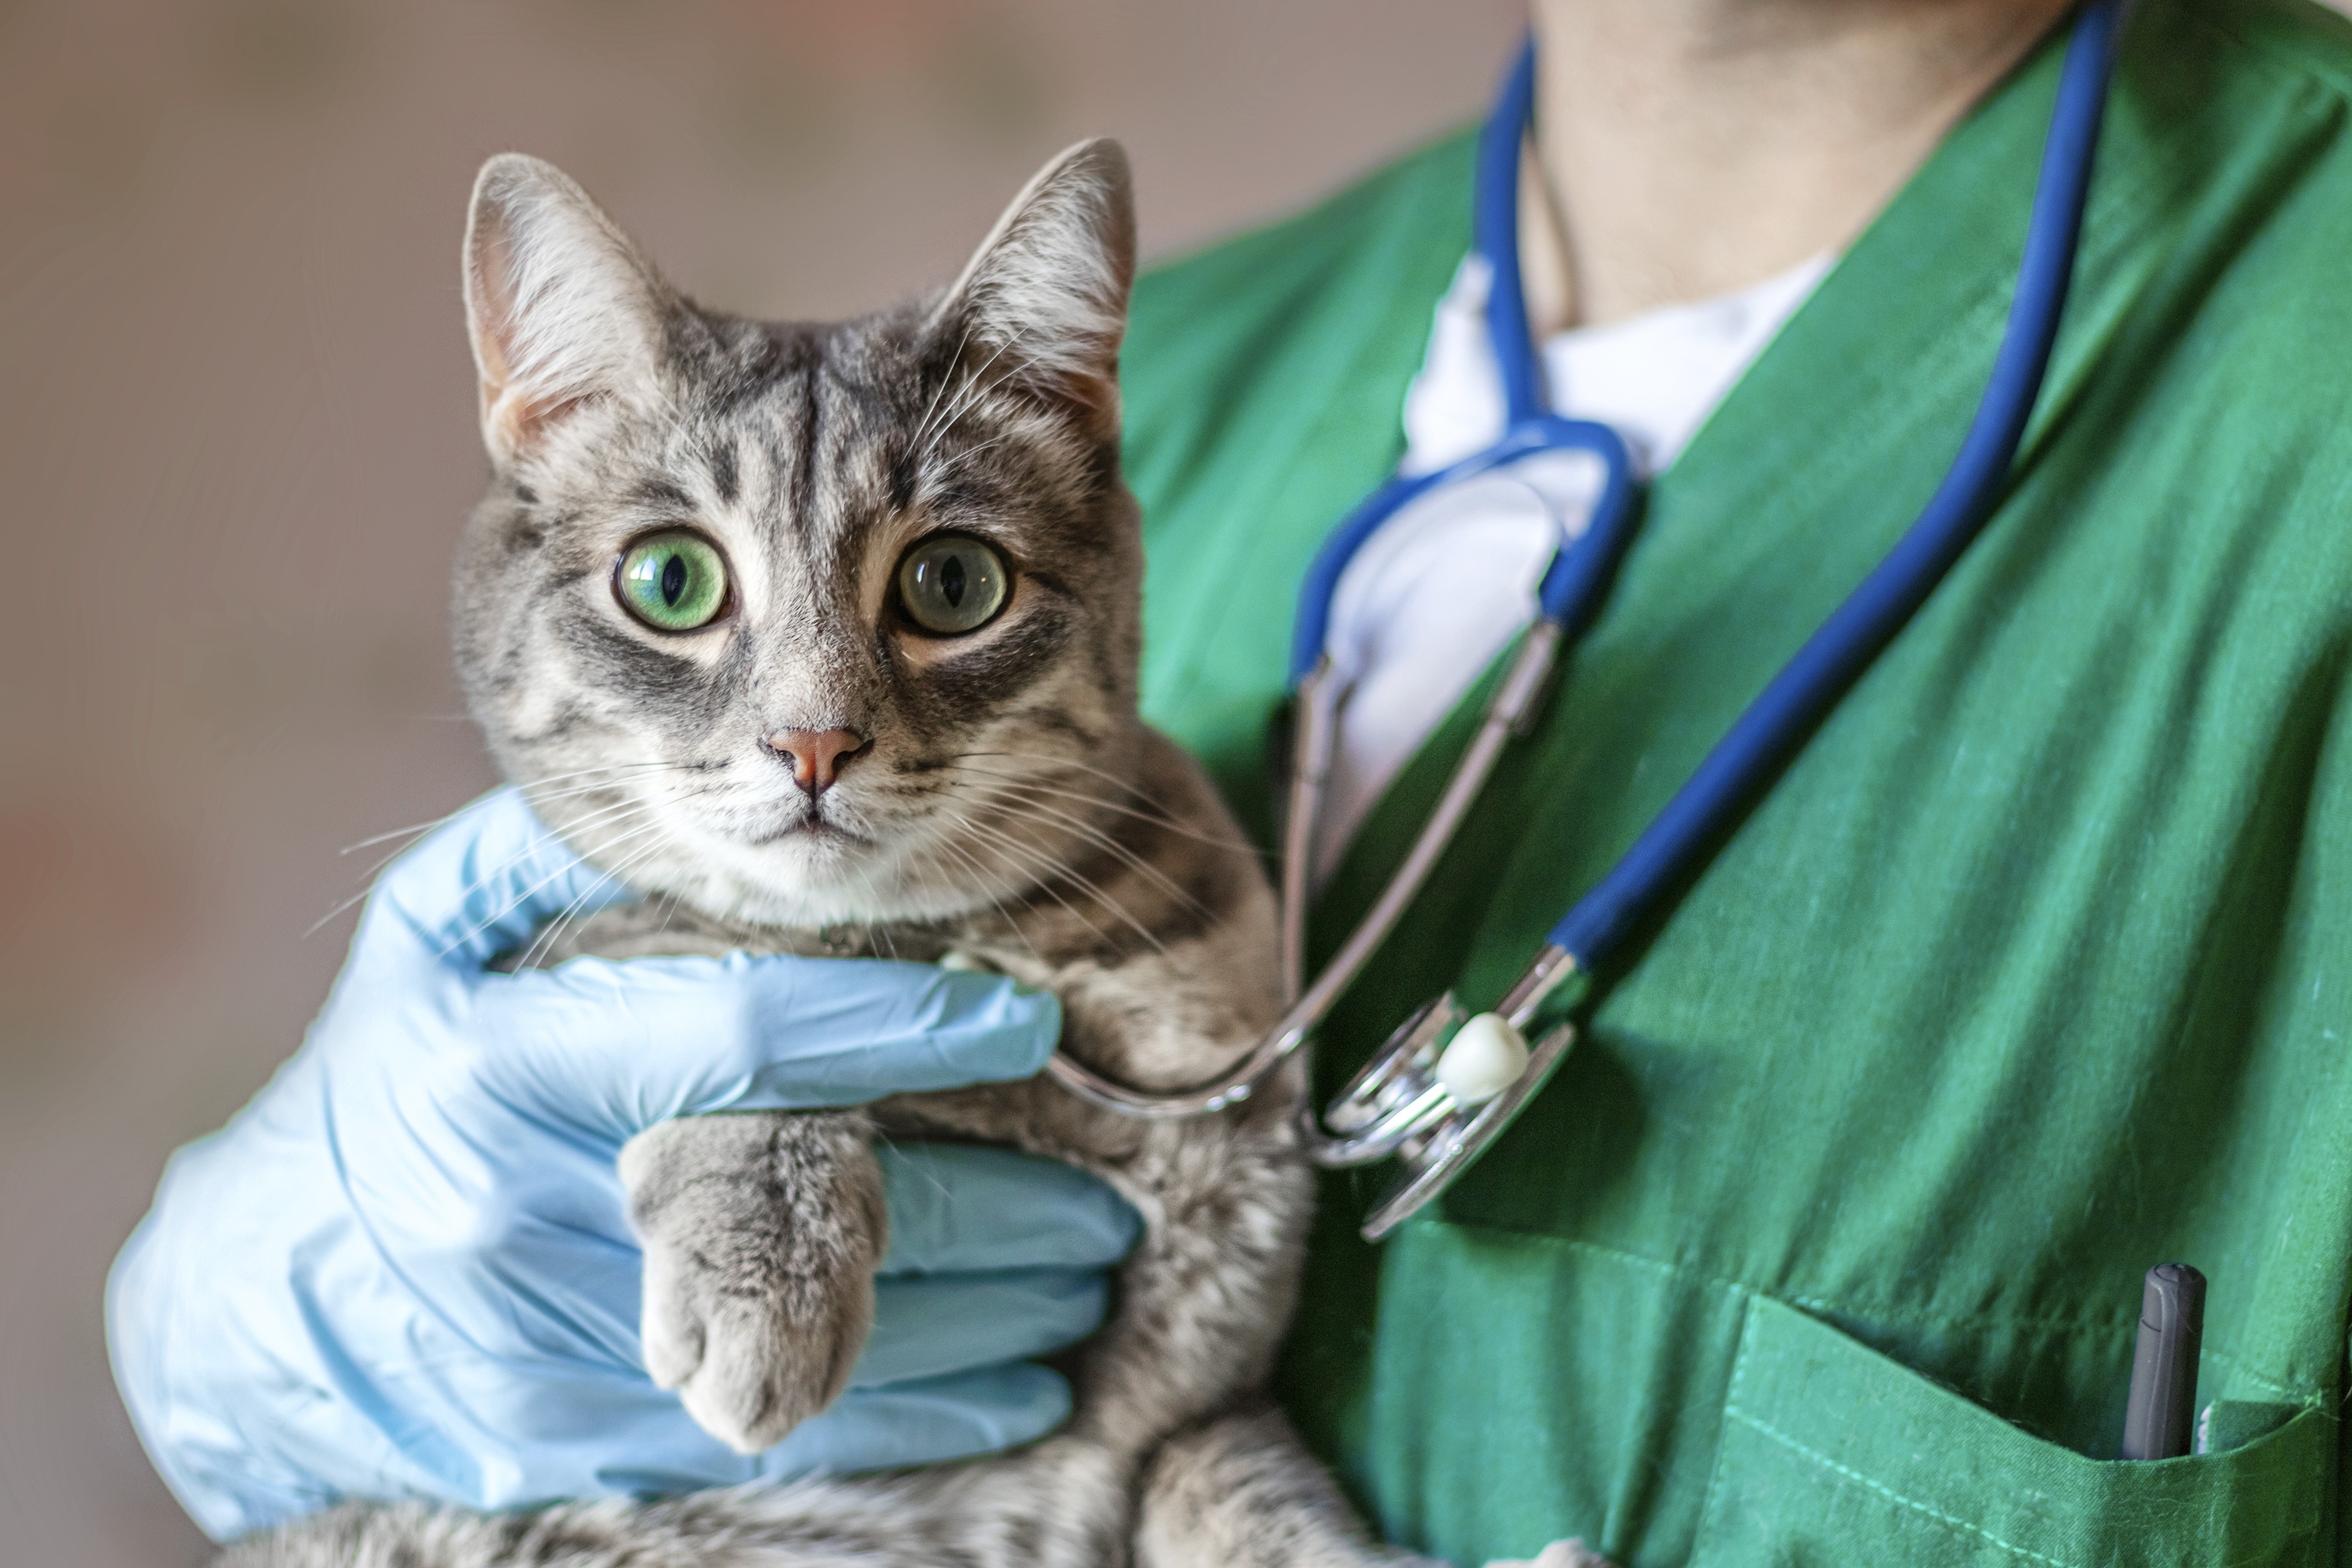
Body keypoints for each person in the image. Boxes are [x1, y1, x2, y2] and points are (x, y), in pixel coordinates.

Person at [111, 0, 2352, 1563]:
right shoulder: (1186, 359)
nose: (809, 717)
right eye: (697, 583)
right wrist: (229, 1333)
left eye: (937, 587)